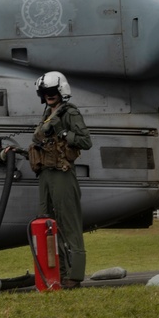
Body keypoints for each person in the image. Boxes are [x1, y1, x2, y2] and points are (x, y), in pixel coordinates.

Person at [28, 71, 92, 289]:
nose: (49, 95)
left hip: (62, 173)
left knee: (68, 224)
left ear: (61, 91)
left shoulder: (69, 113)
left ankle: (74, 275)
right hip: (45, 175)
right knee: (47, 224)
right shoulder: (47, 114)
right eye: (45, 92)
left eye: (53, 91)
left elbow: (85, 141)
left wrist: (64, 134)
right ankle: (58, 273)